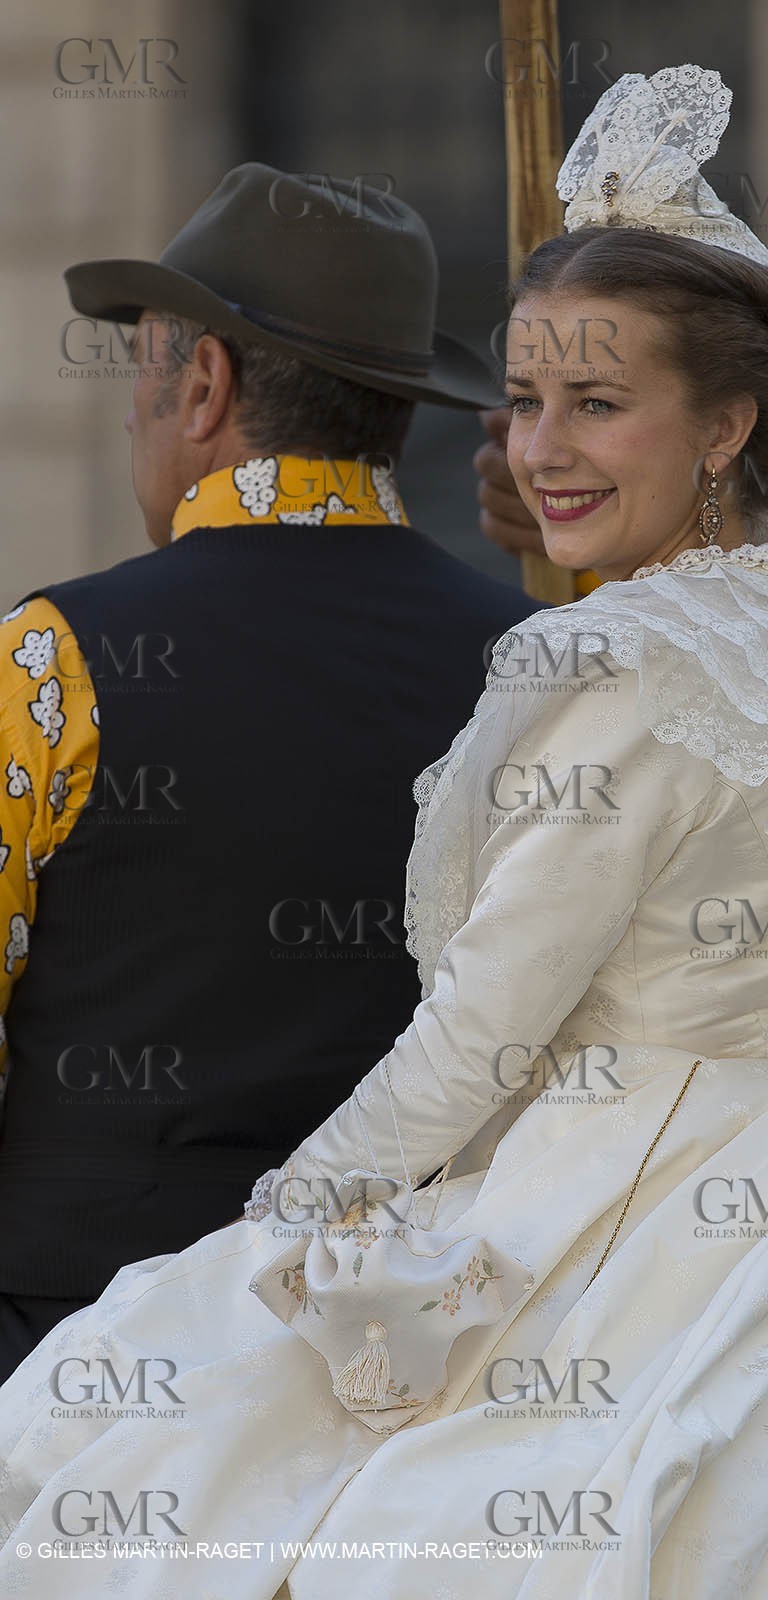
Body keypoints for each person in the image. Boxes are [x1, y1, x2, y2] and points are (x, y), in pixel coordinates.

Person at [0, 69, 768, 1600]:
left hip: (606, 1234)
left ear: (726, 426)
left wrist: (276, 1234)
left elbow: (481, 1036)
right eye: (524, 398)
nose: (539, 446)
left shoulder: (607, 663)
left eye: (596, 404)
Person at [0, 162, 533, 1381]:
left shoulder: (54, 656)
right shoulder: (525, 670)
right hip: (405, 1384)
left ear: (203, 385)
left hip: (76, 1372)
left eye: (142, 377)